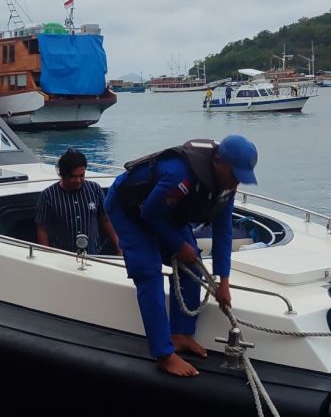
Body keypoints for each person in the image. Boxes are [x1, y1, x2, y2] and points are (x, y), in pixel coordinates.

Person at [104, 135, 258, 377]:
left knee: (192, 262)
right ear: (218, 162)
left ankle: (181, 334)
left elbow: (223, 231)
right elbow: (149, 214)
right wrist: (177, 244)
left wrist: (223, 282)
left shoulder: (226, 185)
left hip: (166, 212)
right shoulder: (180, 175)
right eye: (235, 174)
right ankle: (163, 354)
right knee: (149, 271)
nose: (238, 182)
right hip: (131, 209)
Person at [35, 148, 120, 255]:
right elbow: (42, 229)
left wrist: (118, 245)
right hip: (62, 256)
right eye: (73, 176)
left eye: (81, 175)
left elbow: (105, 219)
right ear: (62, 174)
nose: (78, 180)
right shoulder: (47, 196)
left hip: (93, 255)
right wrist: (45, 255)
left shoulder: (95, 189)